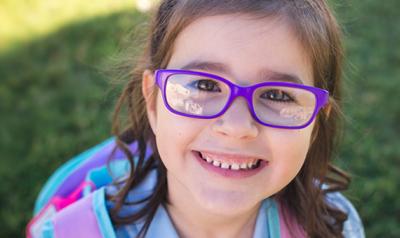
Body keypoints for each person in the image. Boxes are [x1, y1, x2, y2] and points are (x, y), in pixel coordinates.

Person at [30, 0, 366, 237]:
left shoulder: (334, 226)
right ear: (153, 100)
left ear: (315, 123)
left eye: (277, 95)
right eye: (205, 85)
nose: (237, 128)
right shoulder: (70, 233)